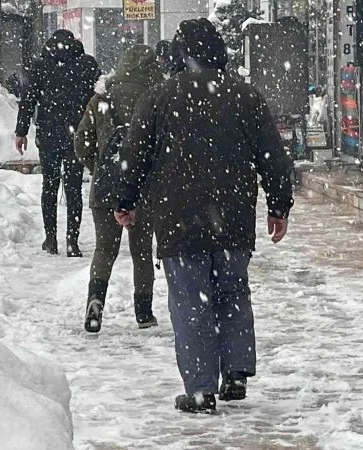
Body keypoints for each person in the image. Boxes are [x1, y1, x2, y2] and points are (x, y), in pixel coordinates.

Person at [115, 18, 294, 414]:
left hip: (180, 220)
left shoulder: (159, 97)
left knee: (190, 300)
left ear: (180, 54)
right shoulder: (245, 97)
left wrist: (125, 200)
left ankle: (199, 388)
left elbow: (134, 156)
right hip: (233, 218)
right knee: (232, 292)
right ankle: (235, 371)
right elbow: (273, 157)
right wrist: (278, 205)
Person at [74, 44, 161, 333]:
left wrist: (99, 165)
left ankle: (95, 302)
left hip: (106, 185)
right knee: (142, 252)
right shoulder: (154, 98)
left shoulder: (102, 98)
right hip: (143, 187)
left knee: (104, 249)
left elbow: (81, 142)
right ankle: (143, 312)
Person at [15, 29, 100, 257]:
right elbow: (97, 96)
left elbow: (28, 99)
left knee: (49, 186)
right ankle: (72, 240)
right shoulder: (86, 66)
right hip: (76, 134)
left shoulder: (40, 66)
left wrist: (21, 132)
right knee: (73, 188)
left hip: (49, 134)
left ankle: (51, 238)